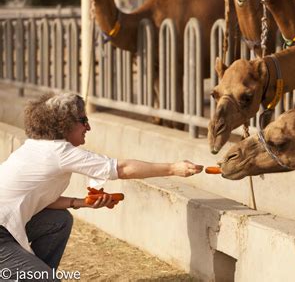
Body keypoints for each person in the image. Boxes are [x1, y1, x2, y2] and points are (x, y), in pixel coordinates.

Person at [0, 92, 203, 281]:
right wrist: (173, 168)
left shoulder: (35, 147)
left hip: (7, 225)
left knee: (59, 220)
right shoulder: (60, 152)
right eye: (83, 120)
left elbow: (41, 200)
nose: (88, 127)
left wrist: (83, 203)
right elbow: (121, 168)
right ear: (64, 124)